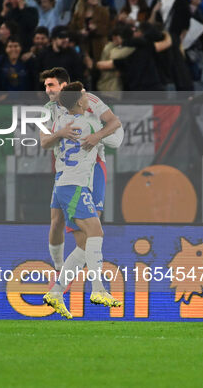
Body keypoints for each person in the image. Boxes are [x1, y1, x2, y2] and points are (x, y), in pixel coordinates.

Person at [43, 82, 123, 319]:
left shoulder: (60, 123)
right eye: (85, 96)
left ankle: (57, 291)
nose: (89, 98)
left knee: (84, 242)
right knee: (95, 233)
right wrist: (101, 134)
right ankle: (98, 289)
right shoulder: (89, 124)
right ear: (79, 101)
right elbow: (115, 137)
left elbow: (49, 140)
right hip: (75, 185)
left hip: (63, 182)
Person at [96, 22, 172, 91]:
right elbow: (167, 43)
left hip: (137, 92)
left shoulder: (122, 55)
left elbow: (103, 65)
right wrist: (166, 34)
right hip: (155, 88)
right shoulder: (146, 46)